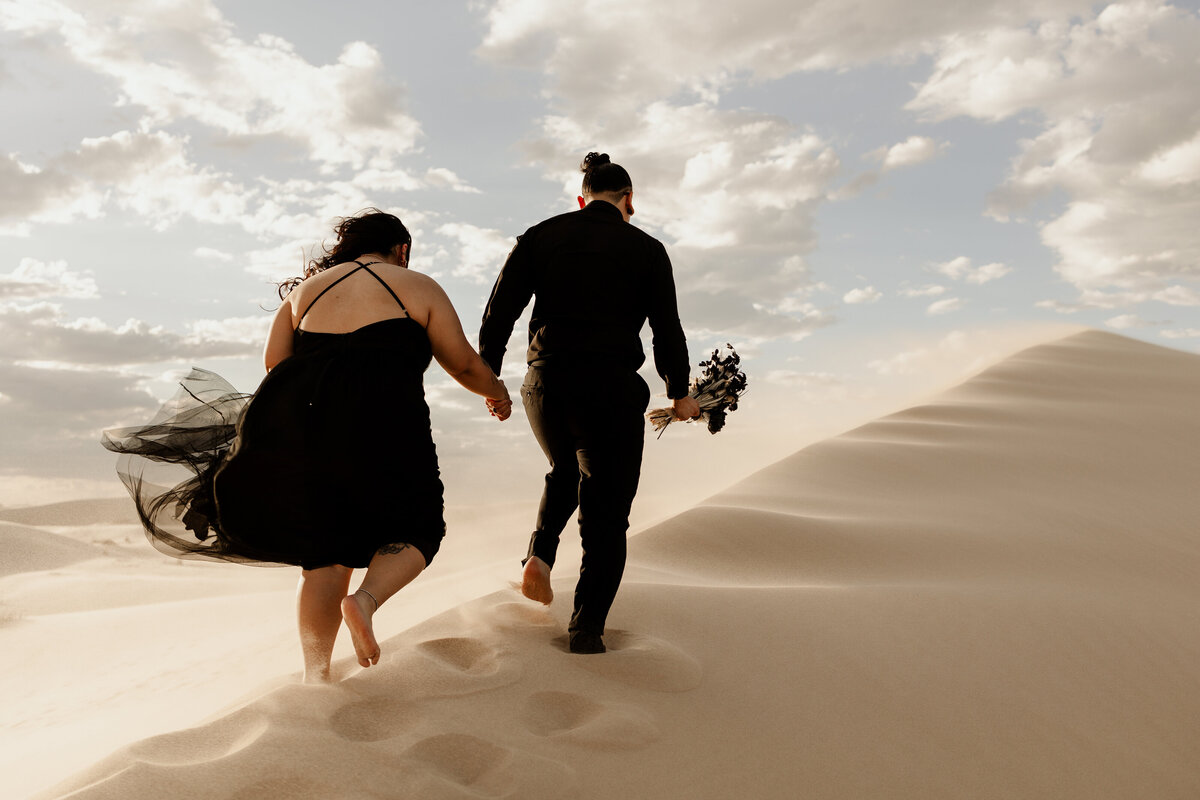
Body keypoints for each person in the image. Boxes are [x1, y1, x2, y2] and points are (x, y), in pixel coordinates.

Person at [103, 209, 512, 682]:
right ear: (402, 249)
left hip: (307, 431)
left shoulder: (303, 295)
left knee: (325, 556)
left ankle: (315, 676)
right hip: (389, 425)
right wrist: (496, 394)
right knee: (420, 528)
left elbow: (277, 363)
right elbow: (460, 362)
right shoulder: (418, 286)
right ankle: (366, 600)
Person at [478, 152, 699, 654]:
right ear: (629, 200)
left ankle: (539, 554)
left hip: (545, 383)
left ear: (582, 200)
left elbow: (500, 312)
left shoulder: (540, 235)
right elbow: (668, 327)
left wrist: (488, 379)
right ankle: (585, 630)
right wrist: (679, 391)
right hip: (610, 388)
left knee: (565, 468)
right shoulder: (647, 249)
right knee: (606, 514)